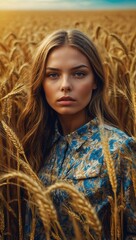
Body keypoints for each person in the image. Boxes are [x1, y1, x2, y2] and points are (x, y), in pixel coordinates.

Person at [18, 29, 136, 239]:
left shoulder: (119, 148)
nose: (65, 86)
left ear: (95, 81)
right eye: (53, 75)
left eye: (79, 74)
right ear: (41, 83)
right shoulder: (36, 143)